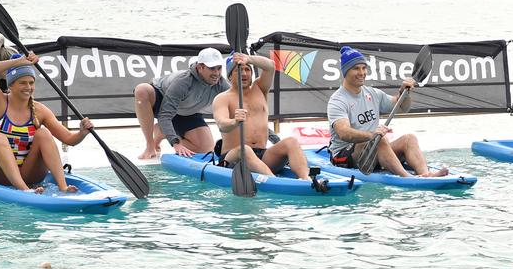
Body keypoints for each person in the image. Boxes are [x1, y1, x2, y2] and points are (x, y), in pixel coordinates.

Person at [0, 53, 94, 193]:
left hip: (27, 174)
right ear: (11, 85)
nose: (28, 87)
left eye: (31, 83)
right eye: (23, 83)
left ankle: (63, 187)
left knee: (43, 133)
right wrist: (18, 62)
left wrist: (82, 133)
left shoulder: (40, 110)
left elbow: (69, 139)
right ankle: (25, 191)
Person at [327, 46, 449, 177]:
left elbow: (402, 107)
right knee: (379, 139)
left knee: (409, 139)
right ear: (345, 72)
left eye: (364, 68)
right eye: (356, 68)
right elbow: (344, 133)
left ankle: (426, 174)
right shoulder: (338, 100)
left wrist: (404, 92)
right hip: (344, 156)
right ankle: (408, 178)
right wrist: (371, 135)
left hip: (373, 147)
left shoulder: (372, 93)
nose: (362, 73)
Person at [212, 53, 327, 191]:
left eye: (247, 69)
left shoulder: (260, 88)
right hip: (233, 157)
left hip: (263, 156)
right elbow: (222, 124)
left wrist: (249, 59)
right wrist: (234, 122)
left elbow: (270, 66)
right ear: (230, 76)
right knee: (245, 149)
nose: (244, 73)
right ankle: (276, 183)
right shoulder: (222, 98)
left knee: (291, 142)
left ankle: (306, 180)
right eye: (238, 70)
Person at [134, 47, 230, 159]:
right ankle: (150, 145)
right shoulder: (183, 81)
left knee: (205, 149)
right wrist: (176, 143)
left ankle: (161, 131)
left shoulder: (222, 84)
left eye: (219, 68)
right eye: (212, 68)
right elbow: (165, 115)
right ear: (200, 67)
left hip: (187, 111)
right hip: (162, 103)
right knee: (142, 90)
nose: (217, 73)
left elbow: (238, 102)